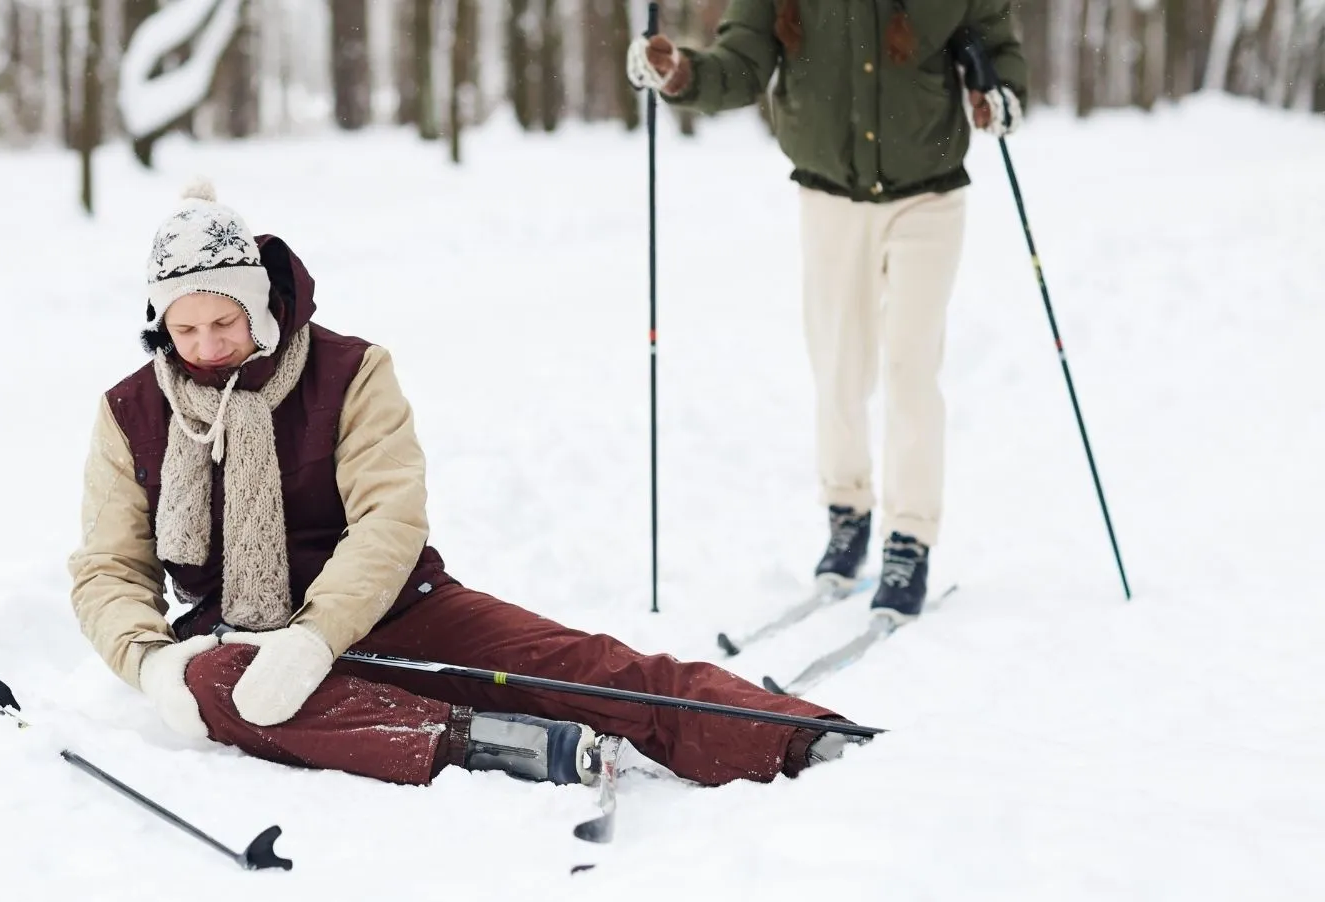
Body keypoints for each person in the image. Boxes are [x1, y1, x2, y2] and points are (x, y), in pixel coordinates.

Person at [68, 180, 860, 790]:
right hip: (245, 639)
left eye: (224, 322)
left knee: (575, 666)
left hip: (397, 608)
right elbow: (108, 566)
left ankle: (793, 735)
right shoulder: (130, 411)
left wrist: (316, 638)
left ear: (260, 306)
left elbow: (388, 520)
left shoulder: (350, 371)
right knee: (211, 686)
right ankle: (481, 743)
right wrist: (149, 663)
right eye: (184, 328)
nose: (207, 346)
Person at [626, 2, 1028, 617]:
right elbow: (742, 61)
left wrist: (1000, 93)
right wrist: (681, 73)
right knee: (840, 367)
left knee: (912, 369)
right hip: (829, 196)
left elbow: (994, 43)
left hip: (929, 193)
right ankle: (848, 511)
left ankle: (910, 536)